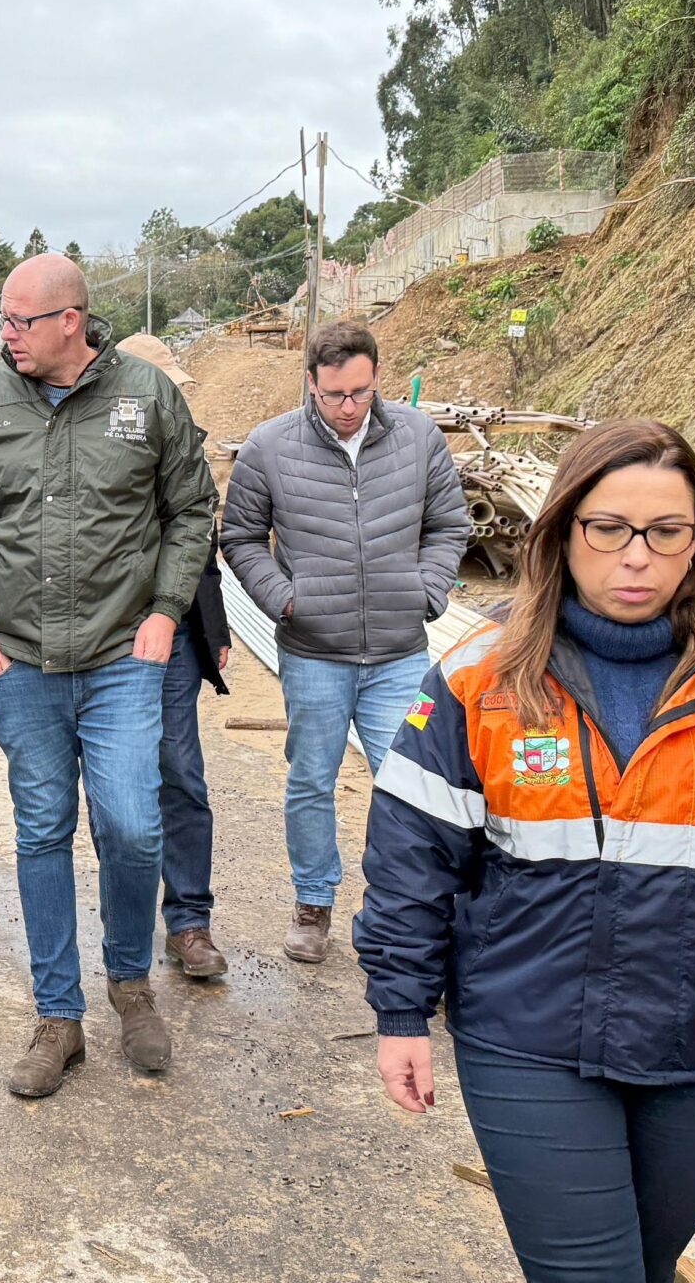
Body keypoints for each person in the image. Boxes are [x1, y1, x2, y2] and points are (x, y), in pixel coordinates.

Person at [353, 419, 695, 1283]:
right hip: (530, 1035)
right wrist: (400, 1010)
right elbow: (412, 854)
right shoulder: (482, 675)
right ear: (563, 531)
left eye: (665, 532)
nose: (637, 557)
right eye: (608, 528)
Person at [0, 253, 217, 1099]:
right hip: (19, 661)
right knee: (42, 828)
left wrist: (166, 611)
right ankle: (59, 1015)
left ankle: (130, 984)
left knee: (132, 825)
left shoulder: (148, 398)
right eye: (3, 321)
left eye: (18, 321)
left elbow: (191, 509)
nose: (4, 335)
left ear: (70, 321)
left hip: (124, 656)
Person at [220, 322, 468, 966]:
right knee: (311, 781)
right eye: (334, 396)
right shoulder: (270, 446)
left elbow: (449, 524)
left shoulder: (418, 437)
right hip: (313, 654)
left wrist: (428, 591)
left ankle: (405, 912)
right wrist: (285, 599)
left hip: (399, 653)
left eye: (360, 392)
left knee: (413, 784)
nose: (349, 407)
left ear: (378, 377)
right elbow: (241, 537)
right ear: (311, 382)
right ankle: (313, 903)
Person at [158, 533, 234, 979]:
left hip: (178, 633)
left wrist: (215, 627)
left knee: (182, 772)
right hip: (103, 631)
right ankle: (122, 922)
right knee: (116, 783)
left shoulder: (186, 463)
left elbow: (203, 549)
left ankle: (189, 921)